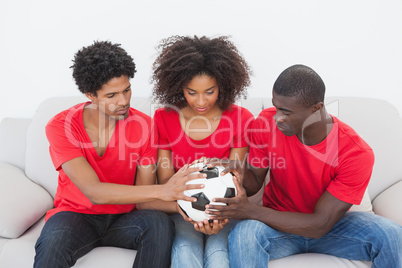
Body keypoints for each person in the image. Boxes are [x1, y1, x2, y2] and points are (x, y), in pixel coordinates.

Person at [206, 64, 402, 267]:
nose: (277, 117)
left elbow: (319, 225)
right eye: (275, 106)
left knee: (391, 234)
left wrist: (249, 211)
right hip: (277, 224)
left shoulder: (355, 153)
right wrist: (238, 170)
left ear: (316, 109)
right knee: (245, 235)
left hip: (331, 228)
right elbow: (255, 181)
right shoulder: (266, 123)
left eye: (285, 112)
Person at [34, 41, 206, 268]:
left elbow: (143, 200)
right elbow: (94, 192)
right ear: (90, 95)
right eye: (112, 95)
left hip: (125, 218)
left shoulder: (144, 126)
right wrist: (165, 190)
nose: (123, 101)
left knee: (159, 224)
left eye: (127, 90)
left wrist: (184, 205)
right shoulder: (61, 126)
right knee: (52, 243)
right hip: (76, 215)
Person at [149, 35, 254, 268]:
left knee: (218, 253)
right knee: (185, 251)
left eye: (210, 91)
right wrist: (190, 210)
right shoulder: (163, 118)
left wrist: (219, 217)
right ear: (179, 87)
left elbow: (237, 181)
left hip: (224, 211)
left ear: (223, 86)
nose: (201, 101)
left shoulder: (240, 118)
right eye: (191, 92)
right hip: (182, 209)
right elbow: (166, 181)